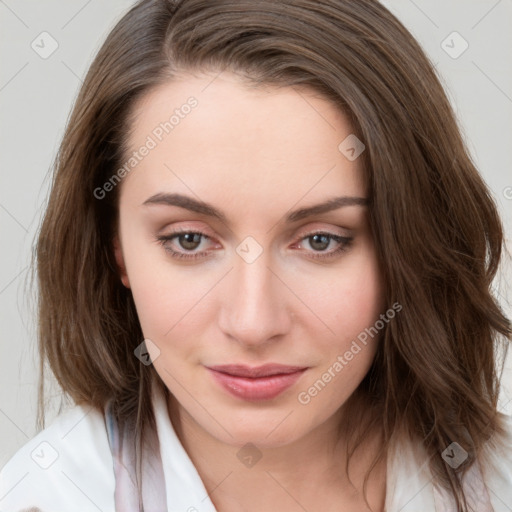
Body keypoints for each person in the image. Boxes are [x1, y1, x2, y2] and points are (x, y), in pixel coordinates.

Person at [1, 0, 511, 511]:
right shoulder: (44, 496)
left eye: (321, 240)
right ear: (116, 250)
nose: (252, 323)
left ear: (409, 246)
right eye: (189, 240)